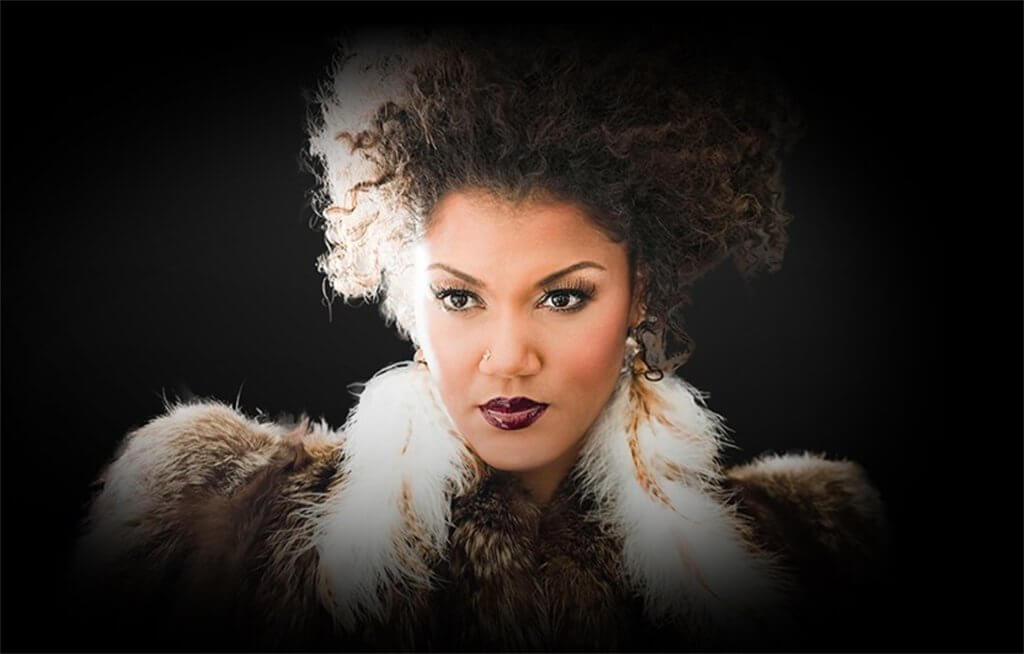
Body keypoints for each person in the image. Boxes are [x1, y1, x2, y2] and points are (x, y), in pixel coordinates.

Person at [73, 26, 886, 651]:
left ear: (640, 293)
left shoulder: (811, 550)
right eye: (459, 297)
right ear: (411, 299)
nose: (508, 358)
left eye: (563, 297)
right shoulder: (211, 527)